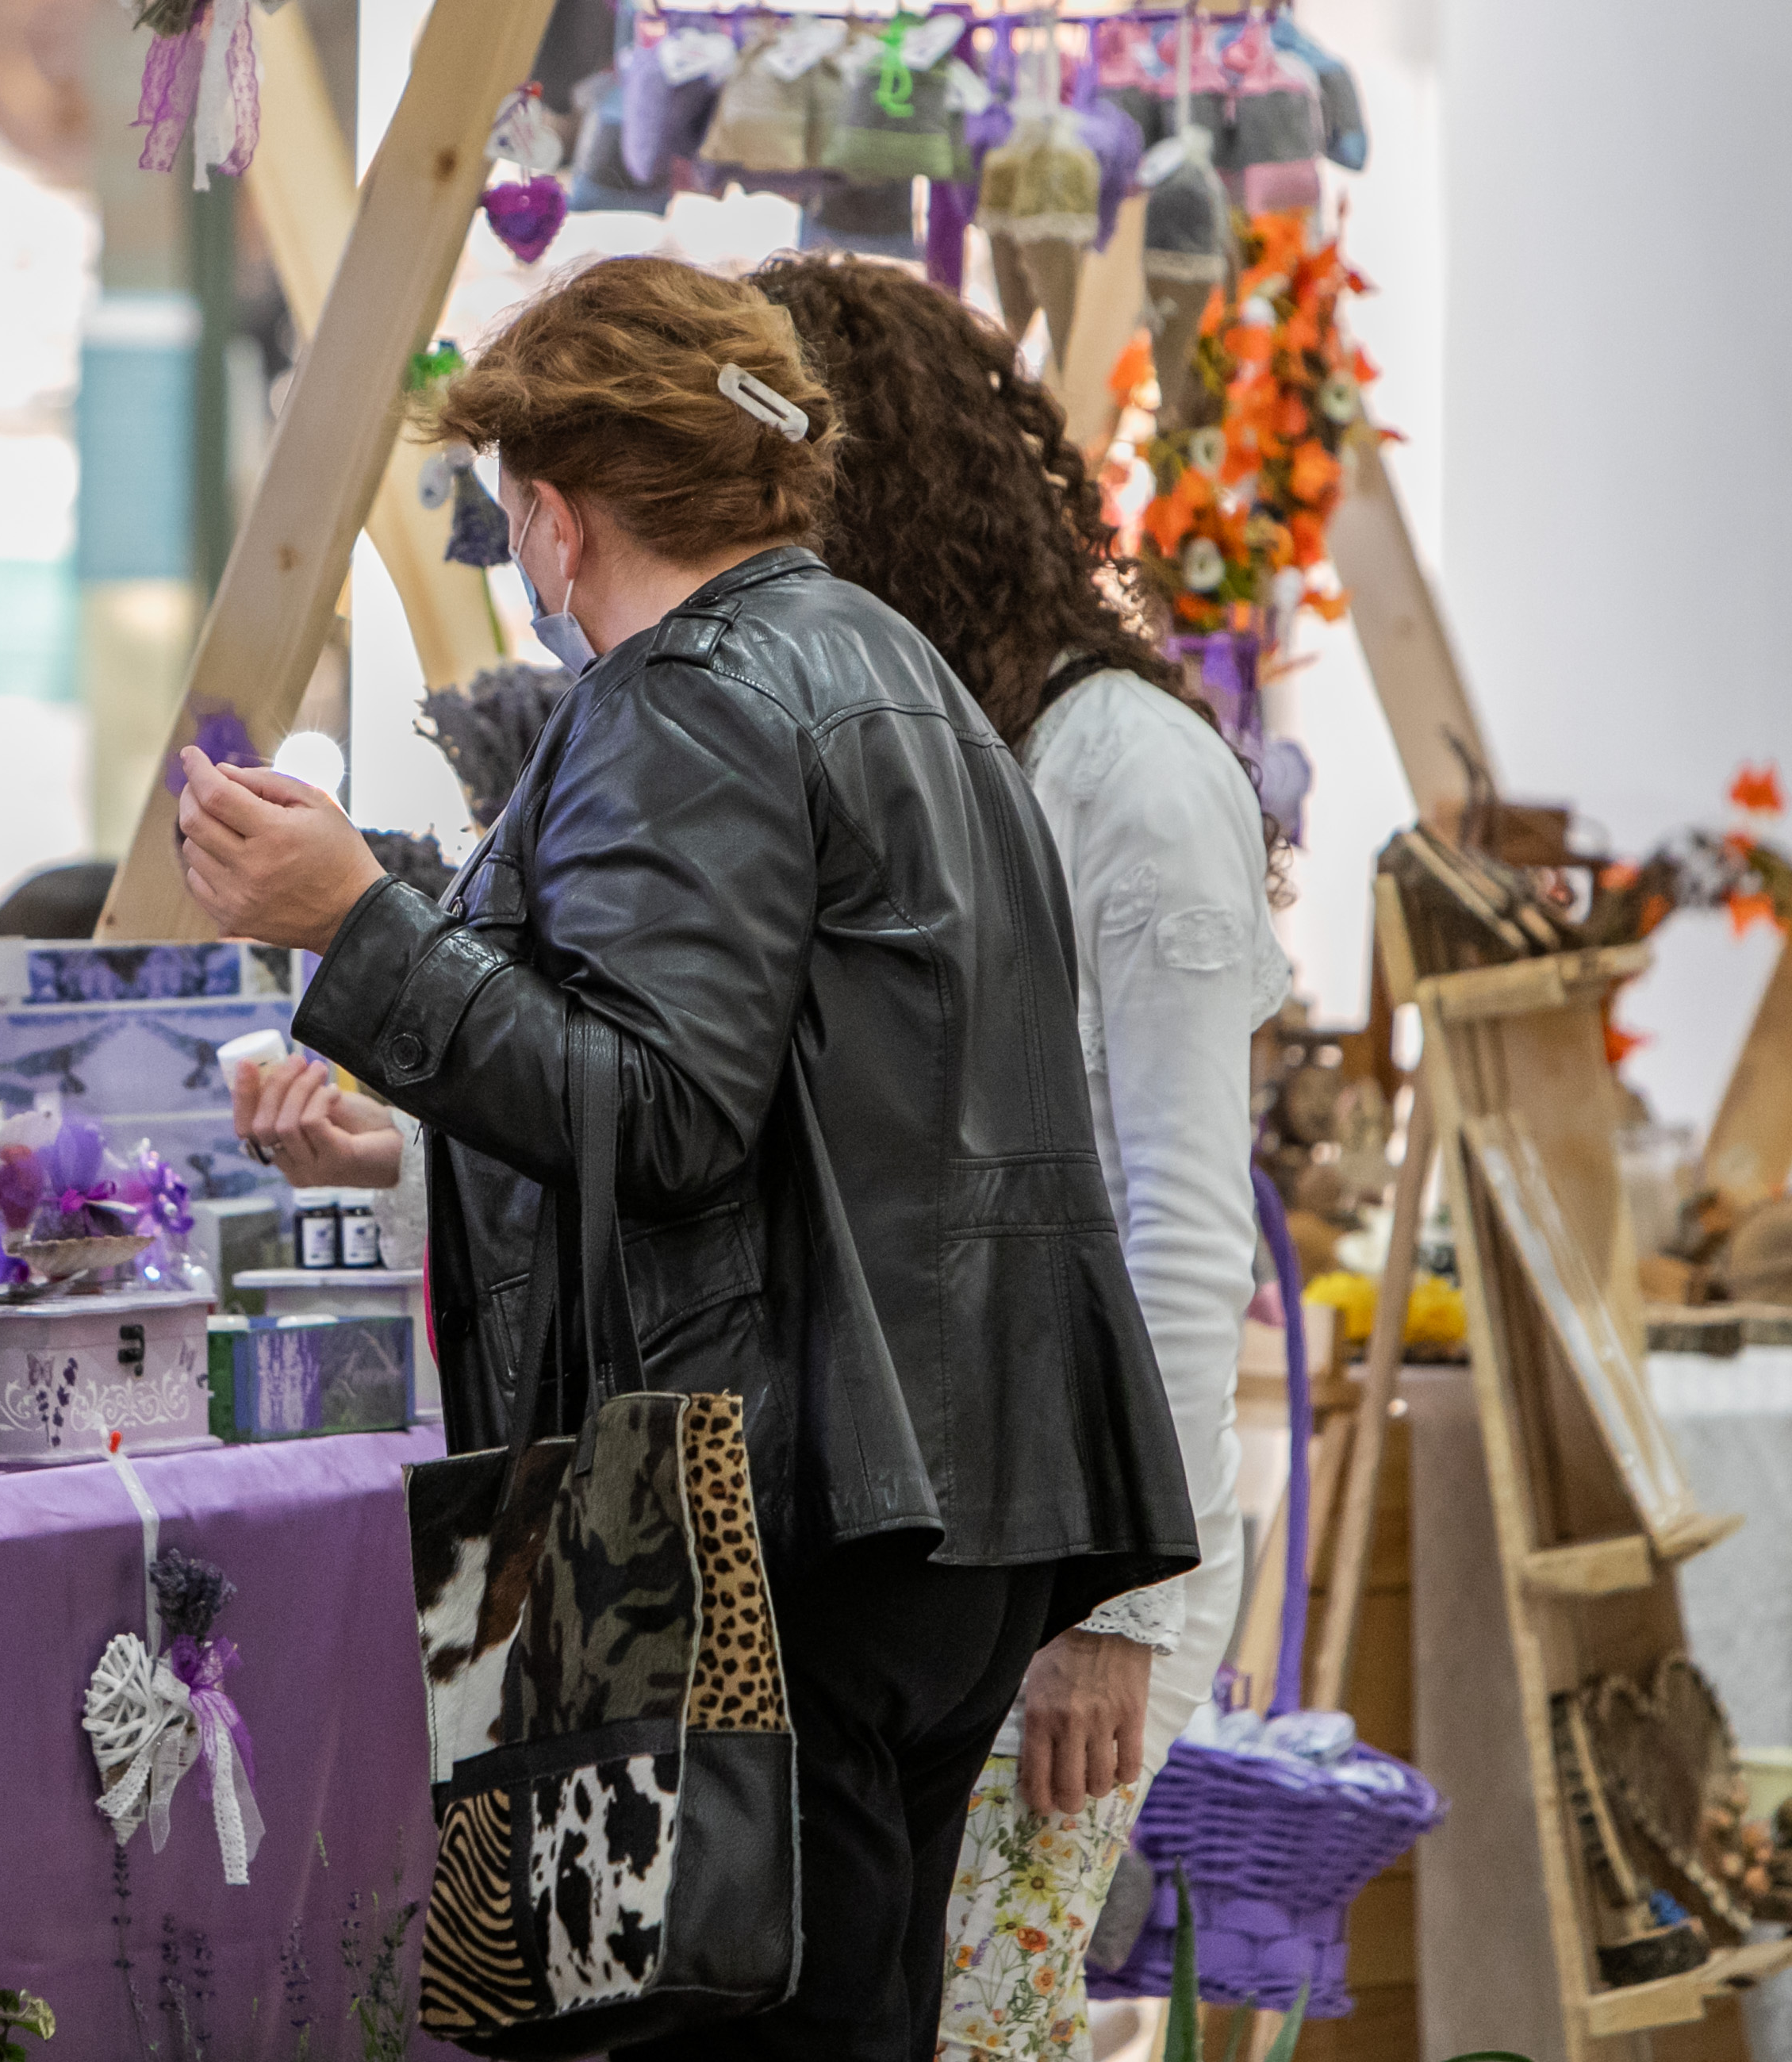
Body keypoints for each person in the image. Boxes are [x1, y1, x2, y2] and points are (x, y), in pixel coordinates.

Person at [179, 255, 1195, 2062]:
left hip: (763, 1528)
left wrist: (360, 925)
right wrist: (413, 1101)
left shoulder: (689, 696)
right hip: (934, 1505)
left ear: (553, 518)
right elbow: (787, 1103)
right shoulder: (898, 668)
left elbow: (658, 1113)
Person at [750, 251, 1289, 2057]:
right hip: (933, 1553)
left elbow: (1185, 1225)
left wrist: (1120, 1614)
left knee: (994, 2028)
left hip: (1071, 1571)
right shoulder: (923, 751)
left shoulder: (1121, 767)